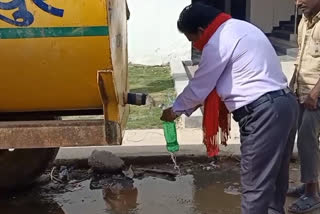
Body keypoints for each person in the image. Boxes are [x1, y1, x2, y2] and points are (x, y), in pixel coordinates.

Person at [160, 3, 299, 214]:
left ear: (200, 30)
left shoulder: (217, 41)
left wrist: (174, 110)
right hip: (285, 104)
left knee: (255, 187)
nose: (197, 46)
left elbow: (200, 87)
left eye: (193, 40)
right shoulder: (242, 27)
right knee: (275, 180)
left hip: (262, 113)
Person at [287, 0, 320, 212]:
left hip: (315, 95)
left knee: (308, 141)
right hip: (302, 91)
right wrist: (291, 87)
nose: (298, 2)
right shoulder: (303, 22)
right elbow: (300, 60)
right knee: (303, 140)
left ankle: (312, 194)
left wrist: (315, 94)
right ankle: (309, 184)